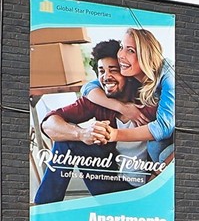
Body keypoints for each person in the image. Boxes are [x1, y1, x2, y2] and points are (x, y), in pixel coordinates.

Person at [33, 42, 134, 204]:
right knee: (66, 140)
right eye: (102, 71)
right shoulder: (98, 100)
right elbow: (48, 123)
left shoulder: (148, 100)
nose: (106, 76)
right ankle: (44, 209)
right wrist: (81, 134)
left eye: (114, 70)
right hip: (109, 183)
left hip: (145, 188)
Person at [76, 26, 174, 184]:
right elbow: (88, 88)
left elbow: (163, 128)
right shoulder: (131, 75)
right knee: (155, 147)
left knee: (159, 151)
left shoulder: (168, 75)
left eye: (130, 51)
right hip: (151, 157)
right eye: (122, 47)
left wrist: (114, 134)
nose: (121, 55)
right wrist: (121, 107)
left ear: (146, 55)